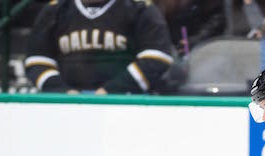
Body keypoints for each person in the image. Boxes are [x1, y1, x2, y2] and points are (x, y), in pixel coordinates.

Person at [24, 0, 174, 94]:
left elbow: (156, 57)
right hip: (66, 106)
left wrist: (111, 91)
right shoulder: (55, 9)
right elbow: (37, 61)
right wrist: (63, 92)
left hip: (126, 103)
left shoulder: (139, 8)